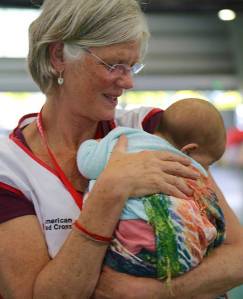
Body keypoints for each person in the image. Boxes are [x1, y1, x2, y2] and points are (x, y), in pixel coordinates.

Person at [0, 1, 242, 299]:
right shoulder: (9, 169)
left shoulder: (151, 129)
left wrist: (158, 291)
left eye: (132, 66)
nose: (128, 82)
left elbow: (238, 253)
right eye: (114, 64)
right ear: (58, 55)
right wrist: (109, 194)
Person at [77, 98, 226, 283]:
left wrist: (92, 145)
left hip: (128, 244)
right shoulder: (191, 169)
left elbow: (87, 166)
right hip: (183, 252)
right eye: (209, 164)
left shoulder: (124, 140)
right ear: (188, 150)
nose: (206, 170)